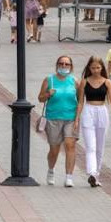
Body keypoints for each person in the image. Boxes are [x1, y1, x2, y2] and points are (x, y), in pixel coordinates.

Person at [74, 57, 111, 187]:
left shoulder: (107, 82)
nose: (96, 70)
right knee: (90, 146)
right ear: (89, 68)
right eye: (93, 68)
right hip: (88, 111)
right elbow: (80, 101)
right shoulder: (85, 82)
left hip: (102, 111)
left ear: (102, 68)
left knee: (100, 146)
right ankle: (92, 172)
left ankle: (96, 175)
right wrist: (77, 118)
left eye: (98, 68)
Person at [38, 56, 79, 188]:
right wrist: (48, 94)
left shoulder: (74, 81)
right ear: (57, 65)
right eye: (61, 63)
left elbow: (80, 100)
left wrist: (78, 118)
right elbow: (40, 98)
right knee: (54, 149)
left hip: (70, 118)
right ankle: (51, 170)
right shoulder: (49, 80)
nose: (64, 66)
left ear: (71, 67)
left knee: (70, 145)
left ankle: (69, 177)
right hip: (53, 118)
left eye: (67, 64)